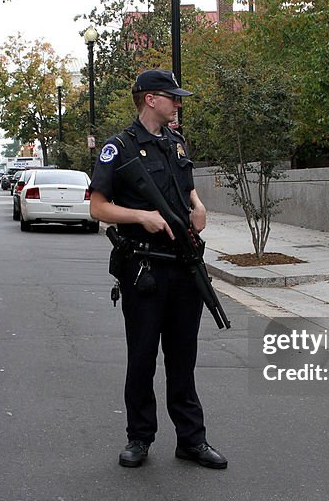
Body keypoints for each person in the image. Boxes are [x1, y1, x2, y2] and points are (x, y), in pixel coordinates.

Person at [89, 69, 227, 470]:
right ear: (151, 99)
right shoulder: (119, 148)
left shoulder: (176, 143)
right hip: (145, 269)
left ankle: (192, 440)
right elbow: (98, 207)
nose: (178, 103)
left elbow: (187, 189)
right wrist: (141, 217)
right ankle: (140, 437)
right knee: (143, 357)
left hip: (184, 266)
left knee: (183, 358)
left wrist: (198, 205)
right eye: (172, 97)